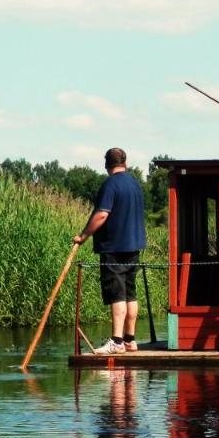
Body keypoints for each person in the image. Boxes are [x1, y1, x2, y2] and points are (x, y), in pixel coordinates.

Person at [74, 148, 146, 354]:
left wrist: (83, 236)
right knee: (131, 293)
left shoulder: (110, 185)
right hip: (134, 245)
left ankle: (116, 341)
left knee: (117, 294)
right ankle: (130, 340)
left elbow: (102, 215)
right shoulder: (135, 184)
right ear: (126, 162)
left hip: (114, 246)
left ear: (106, 165)